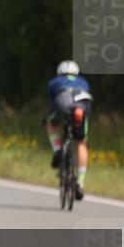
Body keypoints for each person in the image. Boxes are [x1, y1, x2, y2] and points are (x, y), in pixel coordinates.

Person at [46, 60, 92, 200]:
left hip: (62, 106)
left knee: (51, 123)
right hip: (80, 110)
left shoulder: (54, 82)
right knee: (81, 142)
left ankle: (57, 150)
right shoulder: (83, 82)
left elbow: (52, 102)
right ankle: (80, 183)